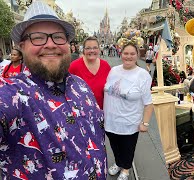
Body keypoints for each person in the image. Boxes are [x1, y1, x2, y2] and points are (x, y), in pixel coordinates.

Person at [0, 1, 107, 179]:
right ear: (22, 45)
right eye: (38, 37)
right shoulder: (13, 94)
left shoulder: (81, 85)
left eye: (58, 36)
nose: (50, 44)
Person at [104, 41, 153, 180]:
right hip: (111, 120)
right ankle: (119, 163)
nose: (128, 56)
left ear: (137, 55)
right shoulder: (114, 70)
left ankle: (126, 169)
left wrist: (145, 123)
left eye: (132, 54)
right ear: (121, 54)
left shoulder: (142, 75)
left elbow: (148, 103)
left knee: (127, 147)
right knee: (114, 146)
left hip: (129, 121)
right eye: (126, 53)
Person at [69, 36, 111, 109]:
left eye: (95, 48)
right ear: (83, 50)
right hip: (81, 113)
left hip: (102, 112)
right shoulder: (74, 66)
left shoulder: (105, 66)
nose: (92, 50)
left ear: (99, 49)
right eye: (88, 48)